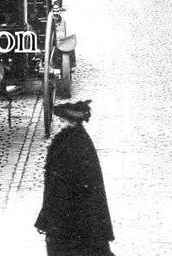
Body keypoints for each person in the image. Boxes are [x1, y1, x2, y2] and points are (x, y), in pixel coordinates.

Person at [34, 99, 115, 256]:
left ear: (71, 122)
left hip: (70, 218)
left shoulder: (72, 144)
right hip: (77, 217)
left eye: (62, 121)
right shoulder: (74, 140)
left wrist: (47, 217)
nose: (59, 124)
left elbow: (59, 187)